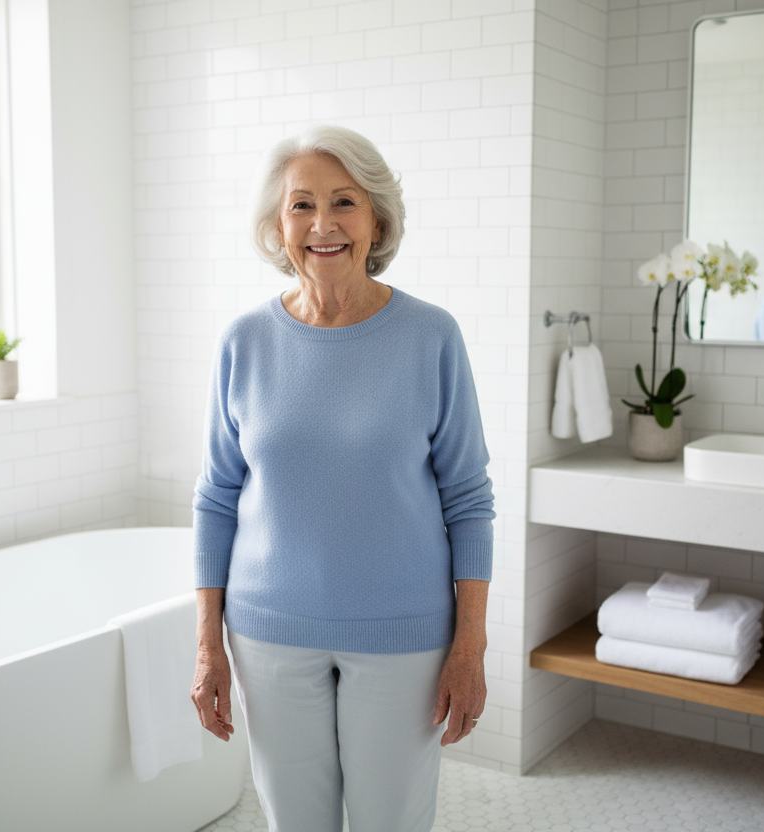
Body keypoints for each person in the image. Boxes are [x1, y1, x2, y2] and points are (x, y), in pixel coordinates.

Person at [189, 125, 495, 832]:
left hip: (405, 637)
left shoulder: (431, 336)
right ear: (277, 225)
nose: (323, 224)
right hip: (268, 634)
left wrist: (470, 644)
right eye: (301, 205)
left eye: (344, 202)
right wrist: (208, 645)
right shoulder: (243, 342)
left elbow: (469, 500)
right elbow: (216, 497)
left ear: (377, 219)